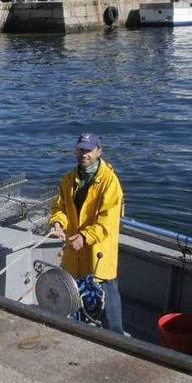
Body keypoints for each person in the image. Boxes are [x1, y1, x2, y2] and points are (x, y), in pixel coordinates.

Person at [49, 133, 125, 334]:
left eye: (89, 150)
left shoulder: (110, 182)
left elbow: (107, 221)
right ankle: (79, 334)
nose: (84, 154)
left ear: (99, 151)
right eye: (81, 150)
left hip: (98, 255)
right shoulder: (68, 180)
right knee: (75, 301)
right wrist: (57, 223)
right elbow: (60, 208)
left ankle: (117, 340)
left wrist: (85, 237)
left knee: (109, 305)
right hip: (73, 255)